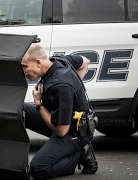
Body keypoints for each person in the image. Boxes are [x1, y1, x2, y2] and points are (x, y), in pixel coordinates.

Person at [22, 43, 98, 179]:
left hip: (73, 131)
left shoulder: (61, 86)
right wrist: (75, 89)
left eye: (25, 66)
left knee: (38, 169)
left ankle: (78, 153)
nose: (24, 71)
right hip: (60, 120)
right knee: (20, 109)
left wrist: (38, 104)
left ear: (38, 62)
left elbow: (61, 131)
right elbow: (85, 61)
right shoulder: (58, 61)